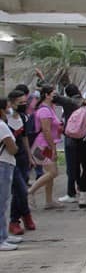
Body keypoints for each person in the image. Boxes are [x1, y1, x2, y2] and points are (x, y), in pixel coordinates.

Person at [27, 85, 65, 209]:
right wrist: (53, 148)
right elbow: (46, 130)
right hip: (43, 146)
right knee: (53, 172)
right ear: (47, 95)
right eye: (53, 94)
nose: (55, 96)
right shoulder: (44, 111)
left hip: (46, 145)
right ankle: (30, 192)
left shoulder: (49, 108)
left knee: (50, 172)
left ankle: (49, 201)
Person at [7, 90, 34, 236]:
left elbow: (25, 139)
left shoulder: (23, 118)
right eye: (20, 103)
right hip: (9, 158)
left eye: (25, 102)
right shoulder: (5, 119)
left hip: (22, 157)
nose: (23, 105)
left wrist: (30, 157)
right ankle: (15, 219)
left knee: (21, 189)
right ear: (11, 103)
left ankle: (25, 215)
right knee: (20, 190)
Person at [54, 85, 85, 203]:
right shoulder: (82, 101)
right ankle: (84, 189)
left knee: (71, 167)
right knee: (81, 165)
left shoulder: (68, 102)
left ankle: (71, 193)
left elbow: (54, 96)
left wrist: (41, 78)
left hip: (71, 137)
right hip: (82, 137)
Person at [0, 98, 23, 251]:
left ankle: (4, 235)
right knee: (2, 203)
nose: (9, 110)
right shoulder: (2, 126)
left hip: (5, 164)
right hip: (4, 164)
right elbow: (12, 148)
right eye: (7, 107)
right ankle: (1, 239)